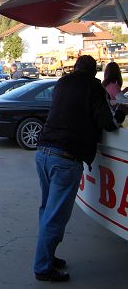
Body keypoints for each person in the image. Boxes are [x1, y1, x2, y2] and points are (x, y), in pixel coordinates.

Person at [33, 55, 124, 282]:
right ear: (93, 72)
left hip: (43, 152)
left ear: (75, 68)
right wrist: (121, 111)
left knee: (47, 210)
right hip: (65, 158)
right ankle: (43, 267)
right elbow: (108, 123)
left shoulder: (62, 83)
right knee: (56, 215)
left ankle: (47, 256)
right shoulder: (93, 86)